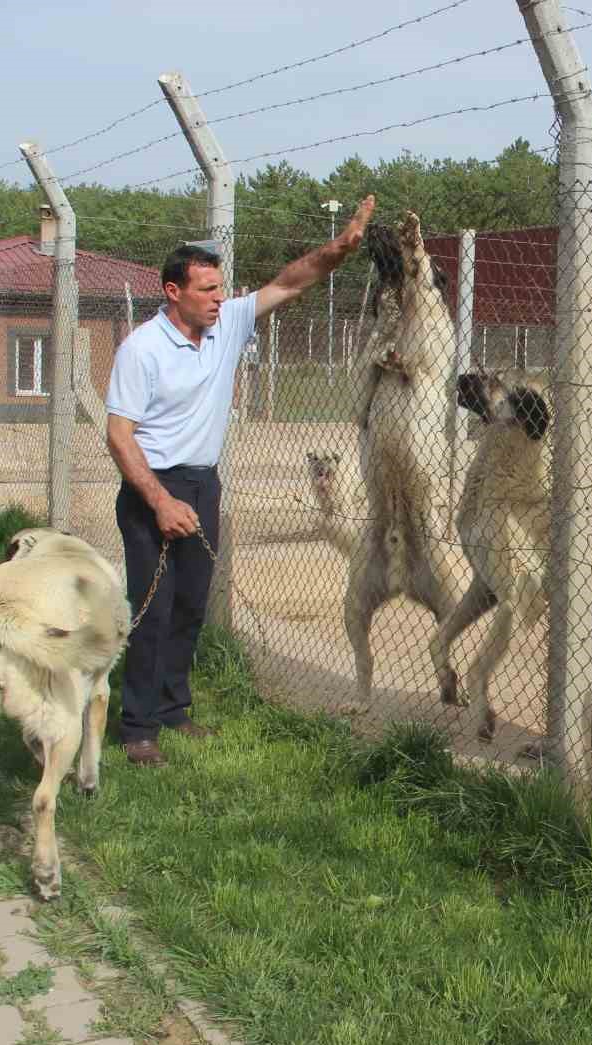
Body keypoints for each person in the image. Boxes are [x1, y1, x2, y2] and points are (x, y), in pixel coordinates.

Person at [105, 194, 376, 766]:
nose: (219, 298)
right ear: (173, 292)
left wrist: (339, 249)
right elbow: (119, 436)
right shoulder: (143, 349)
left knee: (192, 605)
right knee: (152, 608)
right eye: (206, 289)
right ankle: (137, 727)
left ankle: (174, 709)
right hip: (151, 488)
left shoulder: (226, 324)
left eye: (220, 287)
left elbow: (289, 282)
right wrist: (157, 501)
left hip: (203, 483)